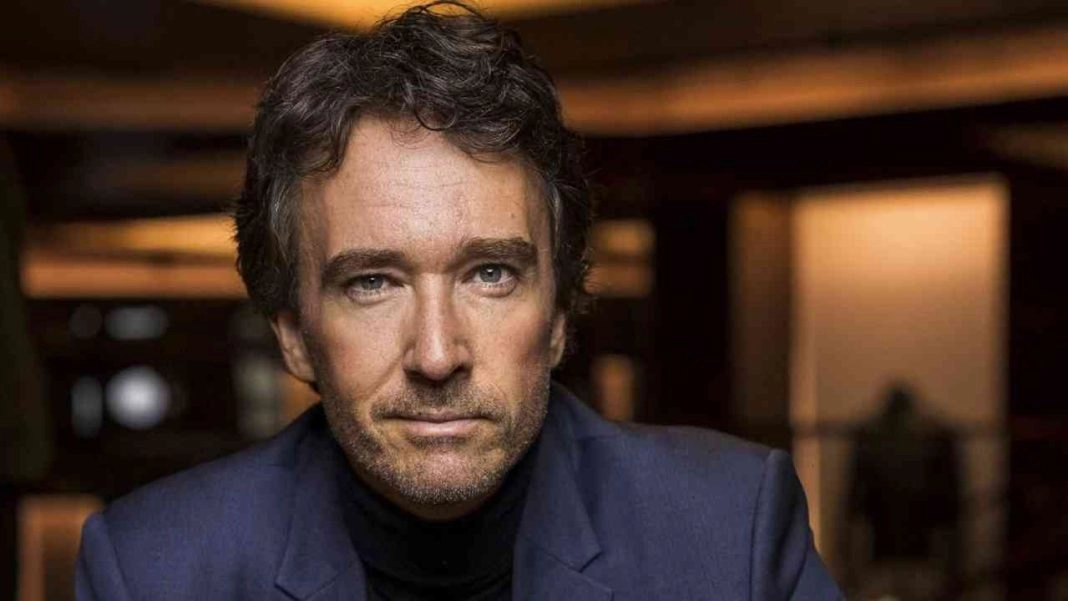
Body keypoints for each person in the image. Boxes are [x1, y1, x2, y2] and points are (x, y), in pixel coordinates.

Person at [76, 3, 840, 598]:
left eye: (490, 274)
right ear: (293, 332)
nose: (437, 355)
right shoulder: (153, 570)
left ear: (560, 313)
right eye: (372, 282)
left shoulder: (730, 532)